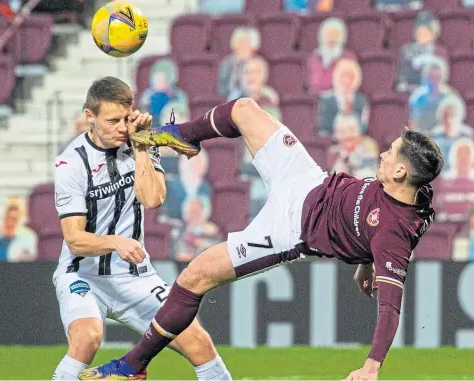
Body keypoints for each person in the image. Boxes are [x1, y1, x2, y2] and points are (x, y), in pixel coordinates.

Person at [79, 97, 444, 380]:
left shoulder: (397, 230)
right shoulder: (414, 195)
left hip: (289, 229)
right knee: (244, 109)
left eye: (391, 151)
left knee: (195, 275)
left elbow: (390, 307)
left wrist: (372, 366)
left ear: (400, 170)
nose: (382, 152)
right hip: (307, 179)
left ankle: (132, 366)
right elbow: (372, 227)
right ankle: (183, 138)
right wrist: (366, 261)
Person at [52, 77, 231, 380]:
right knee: (87, 339)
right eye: (112, 121)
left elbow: (153, 199)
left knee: (199, 343)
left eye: (125, 117)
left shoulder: (141, 141)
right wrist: (116, 242)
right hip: (83, 275)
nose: (122, 127)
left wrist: (142, 147)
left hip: (136, 277)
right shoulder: (71, 164)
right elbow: (74, 239)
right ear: (89, 117)